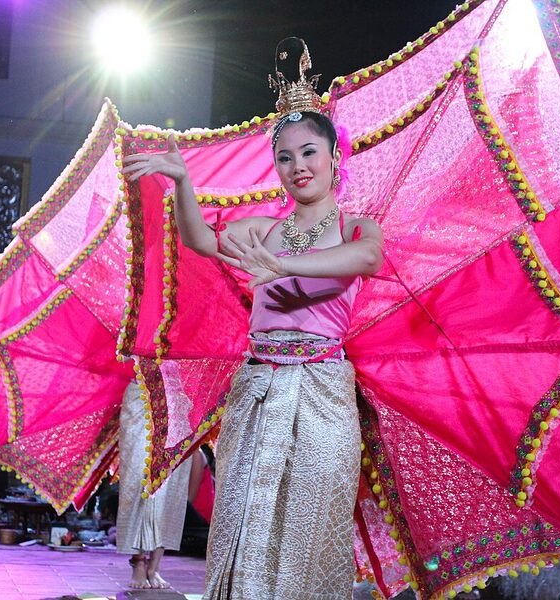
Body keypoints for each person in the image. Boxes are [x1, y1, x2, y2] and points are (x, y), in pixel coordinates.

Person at [122, 38, 383, 599]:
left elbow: (366, 261)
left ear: (335, 159)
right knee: (243, 522)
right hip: (259, 389)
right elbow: (198, 240)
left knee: (309, 528)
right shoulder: (260, 228)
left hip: (324, 393)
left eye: (309, 152)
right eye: (285, 157)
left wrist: (280, 264)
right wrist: (183, 183)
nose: (297, 167)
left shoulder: (359, 228)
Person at [115, 381, 191, 589]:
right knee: (138, 480)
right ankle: (138, 562)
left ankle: (154, 567)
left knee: (171, 486)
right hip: (142, 391)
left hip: (181, 395)